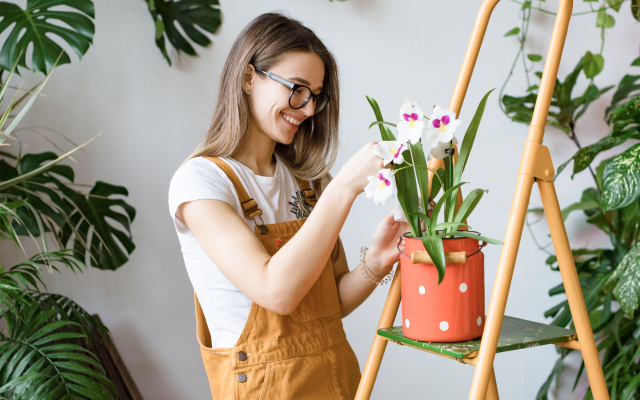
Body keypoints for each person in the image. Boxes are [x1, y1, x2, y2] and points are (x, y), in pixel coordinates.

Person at [168, 12, 408, 399]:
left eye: (316, 95)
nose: (309, 109)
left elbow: (330, 303)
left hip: (336, 380)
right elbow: (276, 291)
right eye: (297, 88)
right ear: (249, 78)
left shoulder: (308, 181)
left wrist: (377, 261)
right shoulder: (200, 183)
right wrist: (344, 188)